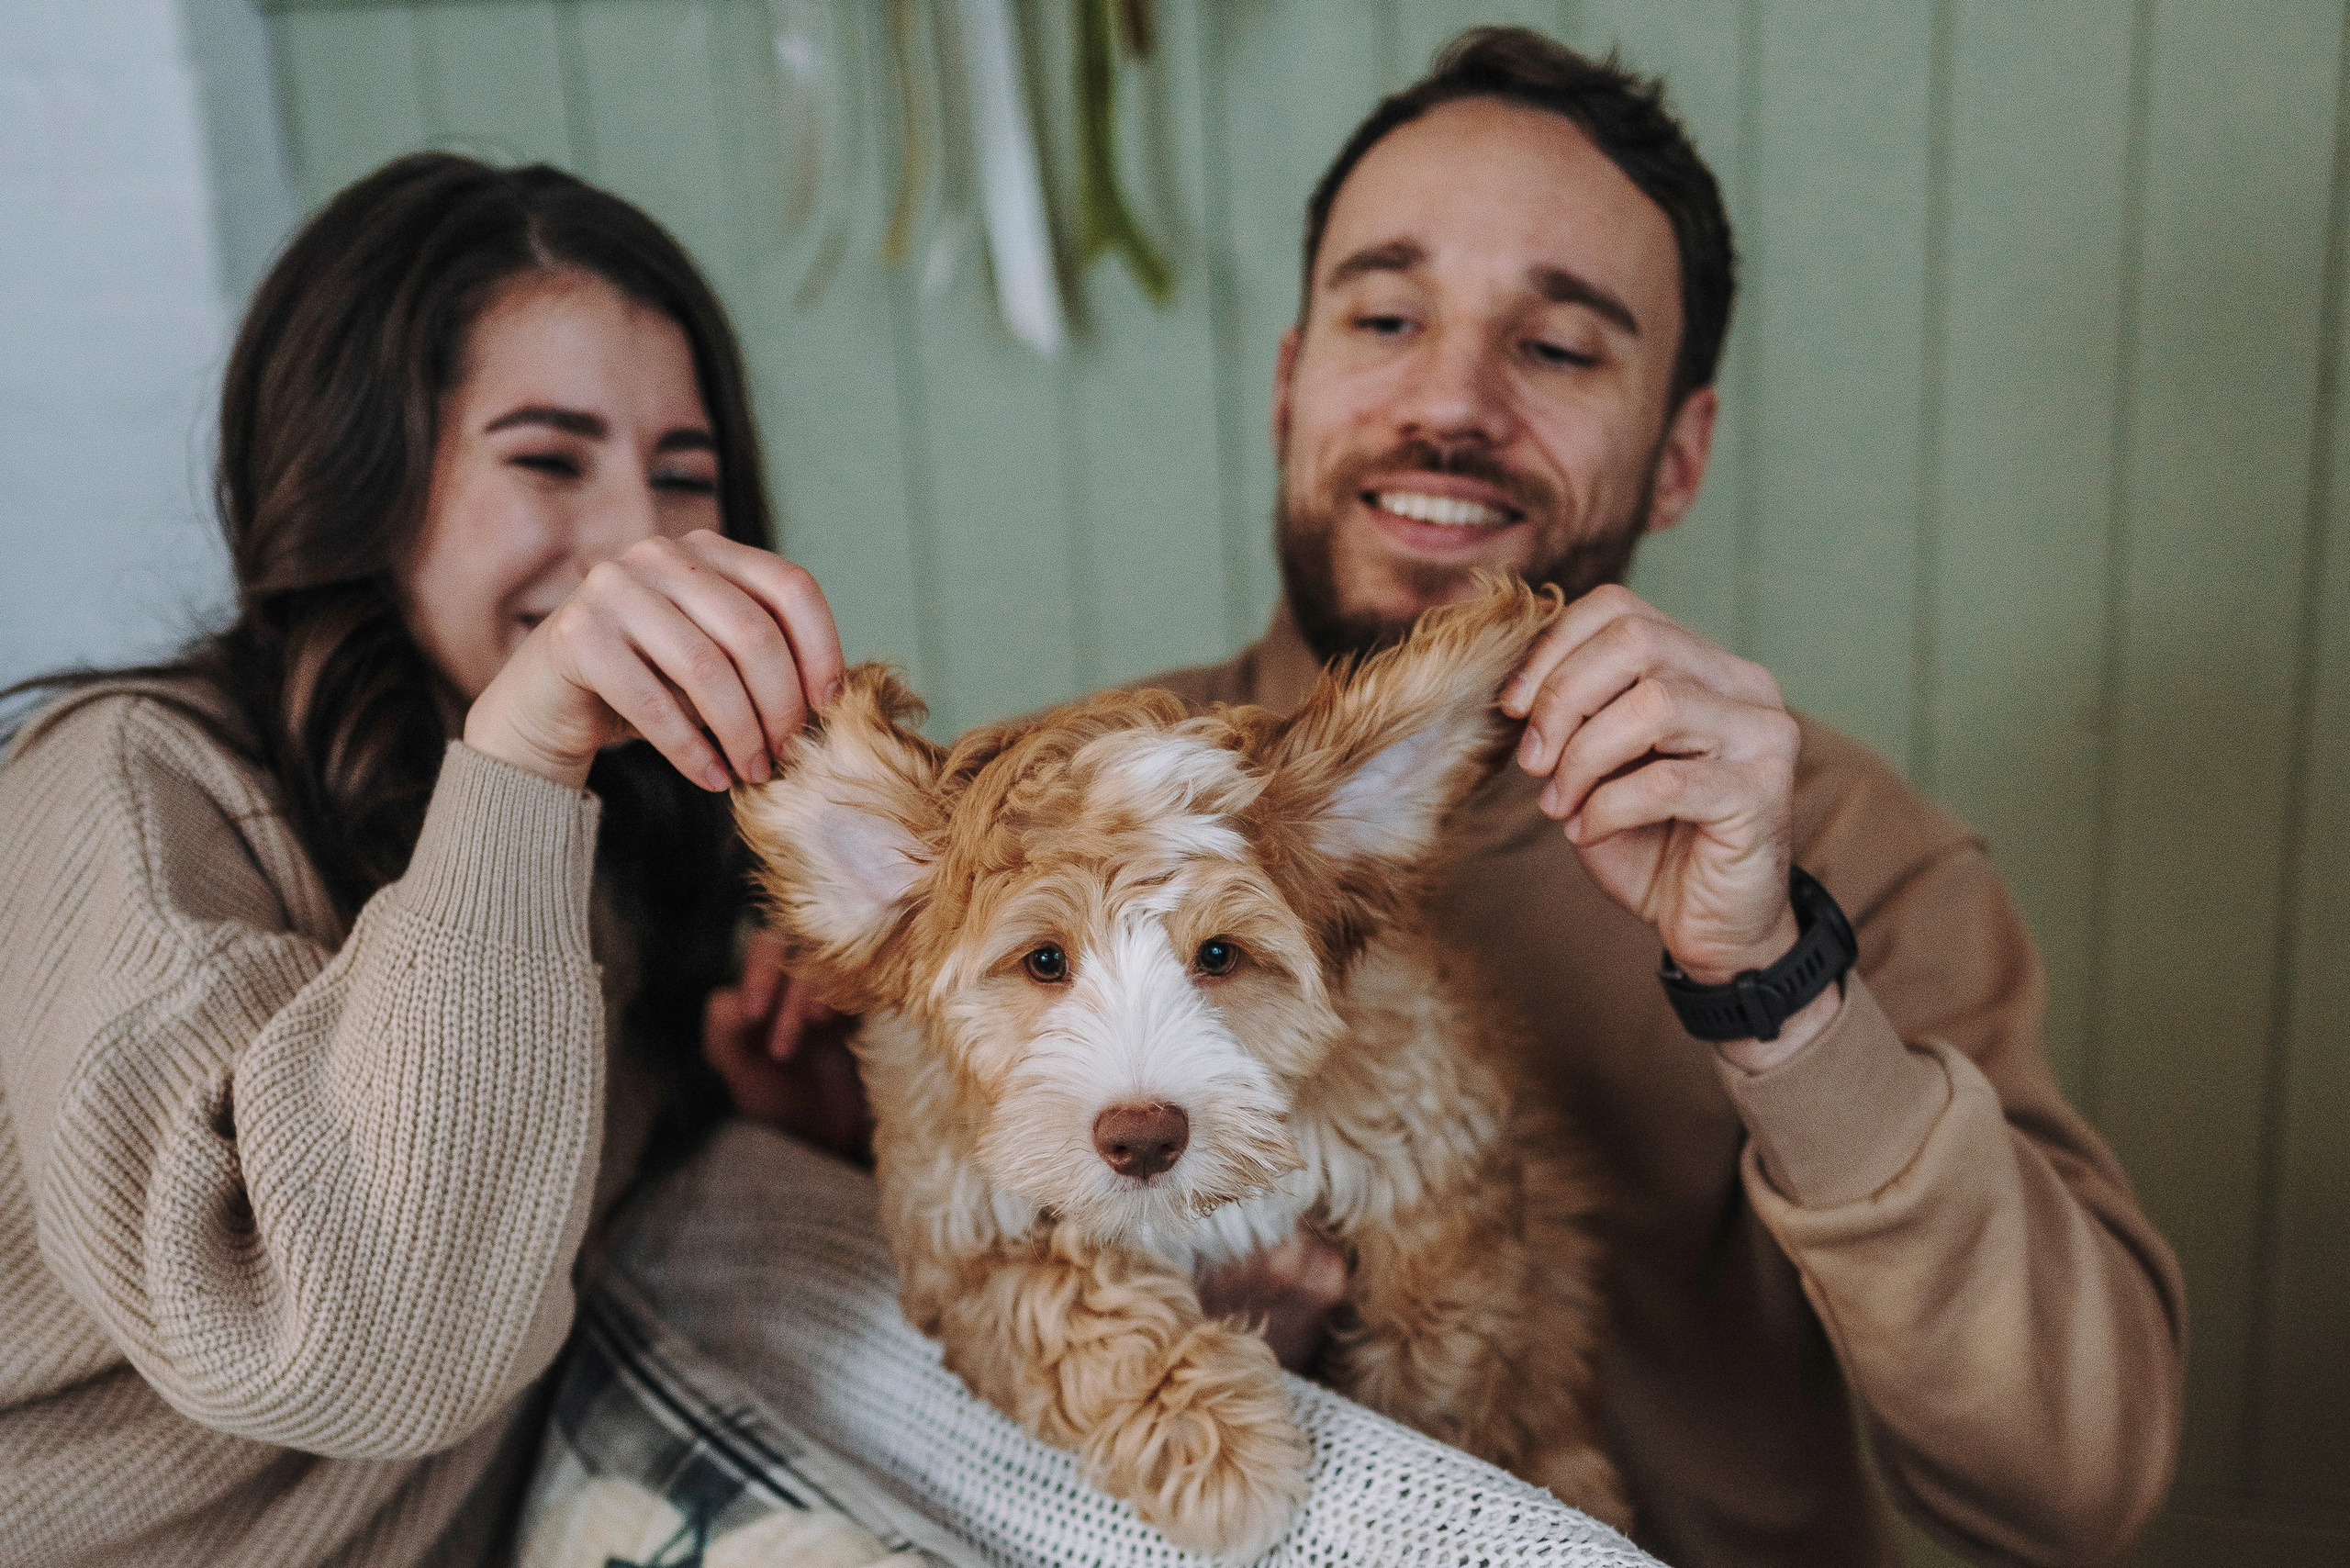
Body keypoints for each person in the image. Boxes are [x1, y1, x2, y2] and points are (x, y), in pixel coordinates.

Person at [1138, 28, 2188, 1568]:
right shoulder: (1055, 813)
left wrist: (1777, 990)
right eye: (1387, 317)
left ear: (1679, 454)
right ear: (1294, 384)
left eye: (1559, 349)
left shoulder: (1854, 860)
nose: (1451, 403)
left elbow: (2078, 1484)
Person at [0, 153, 863, 1566]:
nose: (636, 543)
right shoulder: (139, 792)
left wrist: (784, 1119)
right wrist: (522, 754)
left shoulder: (618, 866)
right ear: (364, 481)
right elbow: (354, 1351)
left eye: (685, 478)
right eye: (548, 460)